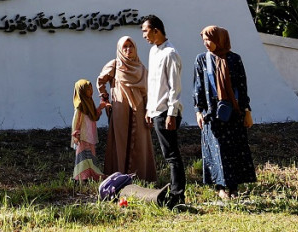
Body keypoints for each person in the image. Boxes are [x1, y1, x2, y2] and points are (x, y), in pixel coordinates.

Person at [194, 25, 257, 199]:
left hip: (233, 112)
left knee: (233, 149)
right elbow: (198, 87)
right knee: (217, 150)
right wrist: (198, 111)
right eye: (204, 39)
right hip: (211, 113)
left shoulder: (234, 59)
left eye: (210, 39)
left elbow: (242, 87)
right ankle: (220, 187)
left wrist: (247, 111)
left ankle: (234, 188)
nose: (207, 43)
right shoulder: (201, 60)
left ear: (220, 40)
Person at [96, 35, 157, 181]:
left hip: (139, 109)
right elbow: (101, 81)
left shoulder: (141, 68)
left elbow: (148, 92)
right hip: (120, 109)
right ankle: (119, 176)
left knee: (140, 142)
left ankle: (141, 176)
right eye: (125, 47)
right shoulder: (115, 65)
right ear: (120, 49)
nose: (128, 49)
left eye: (131, 46)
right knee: (121, 140)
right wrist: (105, 98)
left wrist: (150, 111)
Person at [141, 15, 185, 207]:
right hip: (156, 110)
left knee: (172, 155)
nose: (144, 36)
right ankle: (175, 193)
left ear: (156, 30)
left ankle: (178, 195)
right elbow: (153, 85)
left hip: (167, 112)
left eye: (145, 31)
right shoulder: (153, 51)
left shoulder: (170, 53)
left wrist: (171, 114)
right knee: (168, 155)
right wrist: (149, 110)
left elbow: (174, 87)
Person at [70, 79, 102, 182]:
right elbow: (76, 122)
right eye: (88, 89)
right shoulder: (80, 106)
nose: (91, 91)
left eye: (91, 89)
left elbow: (94, 116)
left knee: (91, 154)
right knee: (82, 155)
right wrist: (76, 134)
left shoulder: (90, 103)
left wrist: (101, 107)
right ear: (81, 91)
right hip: (83, 136)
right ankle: (80, 177)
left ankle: (90, 174)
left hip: (90, 135)